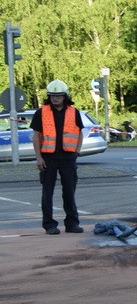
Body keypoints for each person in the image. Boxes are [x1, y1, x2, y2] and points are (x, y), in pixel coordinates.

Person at [30, 80, 85, 235]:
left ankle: (72, 223)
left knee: (69, 191)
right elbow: (36, 136)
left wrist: (77, 151)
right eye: (53, 96)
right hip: (48, 158)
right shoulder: (41, 112)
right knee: (47, 193)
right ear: (49, 96)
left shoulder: (74, 112)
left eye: (59, 96)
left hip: (68, 158)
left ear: (65, 96)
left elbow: (79, 132)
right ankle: (49, 225)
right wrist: (38, 158)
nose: (55, 99)